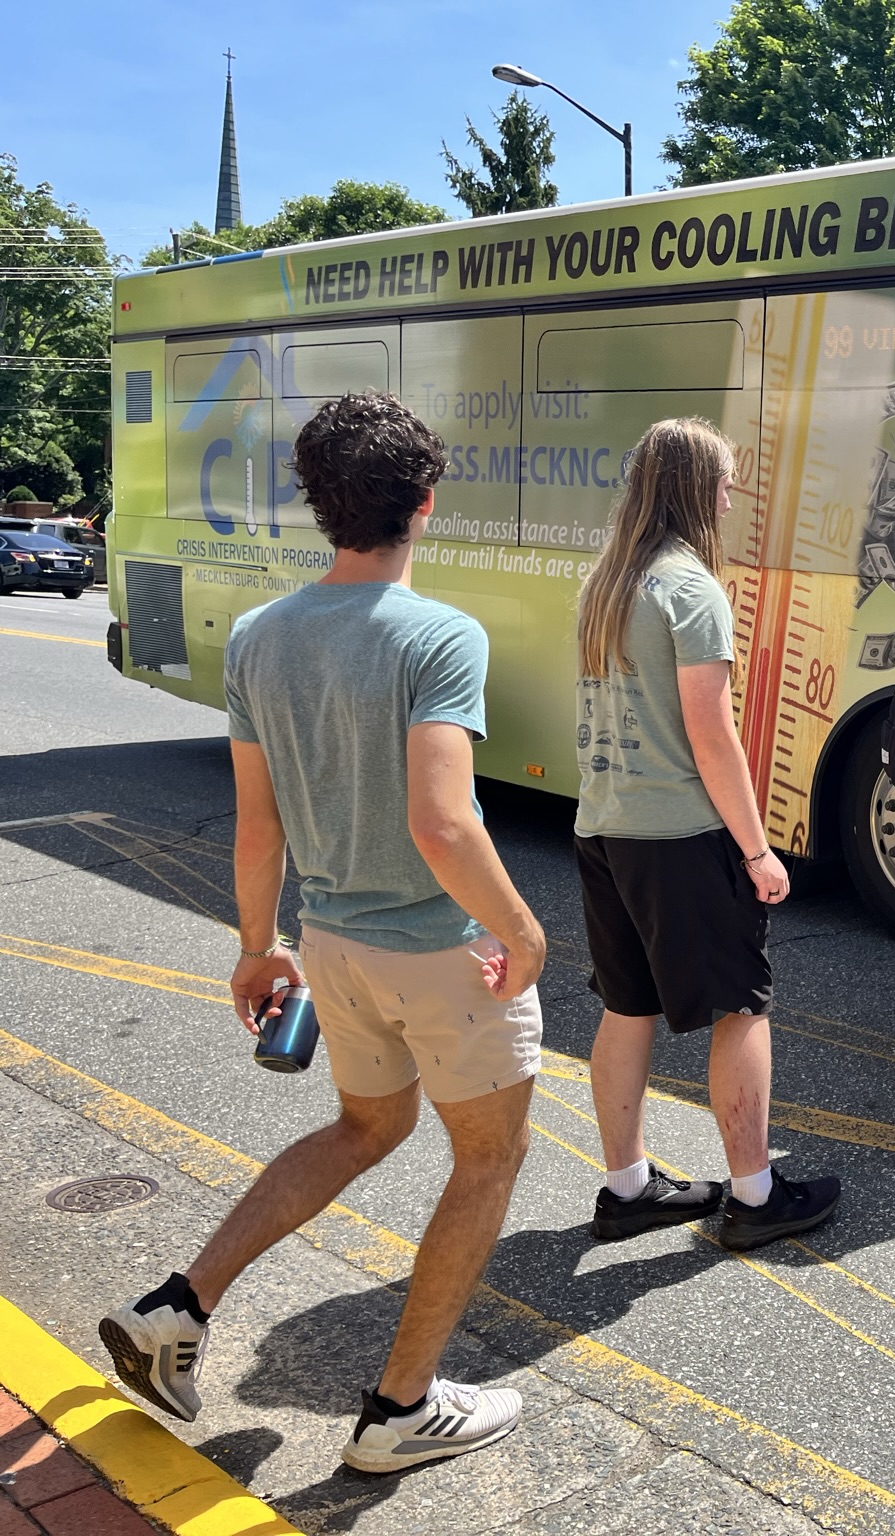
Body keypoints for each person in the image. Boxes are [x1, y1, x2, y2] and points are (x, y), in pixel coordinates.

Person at [101, 393, 547, 1474]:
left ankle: (178, 1307)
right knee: (488, 1161)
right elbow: (442, 821)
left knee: (363, 1127)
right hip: (443, 952)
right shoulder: (437, 634)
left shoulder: (260, 636)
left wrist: (257, 948)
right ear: (425, 505)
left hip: (332, 944)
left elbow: (258, 827)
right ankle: (399, 1412)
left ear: (316, 504)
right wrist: (521, 931)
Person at [573, 418, 839, 1250]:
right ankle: (756, 1198)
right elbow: (712, 733)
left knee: (627, 1006)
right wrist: (758, 849)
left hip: (604, 824)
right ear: (695, 490)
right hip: (682, 834)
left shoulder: (608, 584)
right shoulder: (691, 588)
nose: (731, 498)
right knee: (741, 1007)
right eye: (725, 484)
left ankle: (627, 1188)